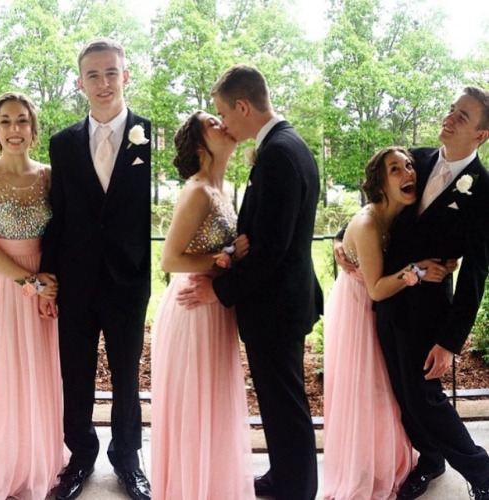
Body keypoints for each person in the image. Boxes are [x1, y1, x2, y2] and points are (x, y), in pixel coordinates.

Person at [335, 86, 489, 500]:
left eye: (462, 116)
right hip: (384, 299)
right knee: (402, 396)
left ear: (480, 135)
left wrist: (449, 342)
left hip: (428, 312)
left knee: (425, 399)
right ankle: (430, 460)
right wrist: (340, 239)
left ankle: (483, 475)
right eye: (452, 109)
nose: (449, 117)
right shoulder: (416, 159)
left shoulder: (483, 191)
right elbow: (376, 201)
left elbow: (476, 272)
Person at [177, 64, 323, 500]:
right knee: (278, 402)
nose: (224, 123)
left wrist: (218, 289)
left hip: (276, 305)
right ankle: (283, 476)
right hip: (281, 300)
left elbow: (272, 249)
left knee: (285, 404)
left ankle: (297, 489)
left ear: (242, 106)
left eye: (224, 113)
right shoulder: (287, 144)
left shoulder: (277, 153)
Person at [39, 38, 151, 500]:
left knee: (126, 377)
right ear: (80, 82)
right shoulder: (62, 143)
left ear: (125, 76)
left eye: (111, 73)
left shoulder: (149, 134)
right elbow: (57, 214)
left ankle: (128, 460)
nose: (103, 83)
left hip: (129, 280)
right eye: (93, 75)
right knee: (76, 374)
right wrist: (47, 277)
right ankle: (80, 457)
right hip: (76, 281)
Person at [324, 146, 452, 500]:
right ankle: (367, 467)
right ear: (380, 184)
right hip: (359, 307)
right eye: (395, 169)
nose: (408, 172)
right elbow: (377, 289)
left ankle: (394, 458)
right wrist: (417, 270)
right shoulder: (368, 223)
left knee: (388, 389)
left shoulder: (402, 211)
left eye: (408, 165)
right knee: (368, 388)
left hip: (385, 310)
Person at [150, 110, 254, 499]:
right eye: (212, 123)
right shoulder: (197, 191)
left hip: (215, 308)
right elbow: (170, 259)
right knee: (194, 407)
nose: (223, 124)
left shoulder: (220, 190)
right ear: (199, 146)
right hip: (192, 308)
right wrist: (225, 256)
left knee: (214, 406)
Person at [0, 91, 64, 499]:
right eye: (5, 121)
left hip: (46, 284)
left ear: (33, 129)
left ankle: (39, 457)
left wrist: (49, 285)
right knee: (5, 372)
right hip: (5, 286)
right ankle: (6, 461)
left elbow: (65, 232)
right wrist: (29, 283)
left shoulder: (50, 176)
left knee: (40, 371)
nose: (14, 129)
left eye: (21, 120)